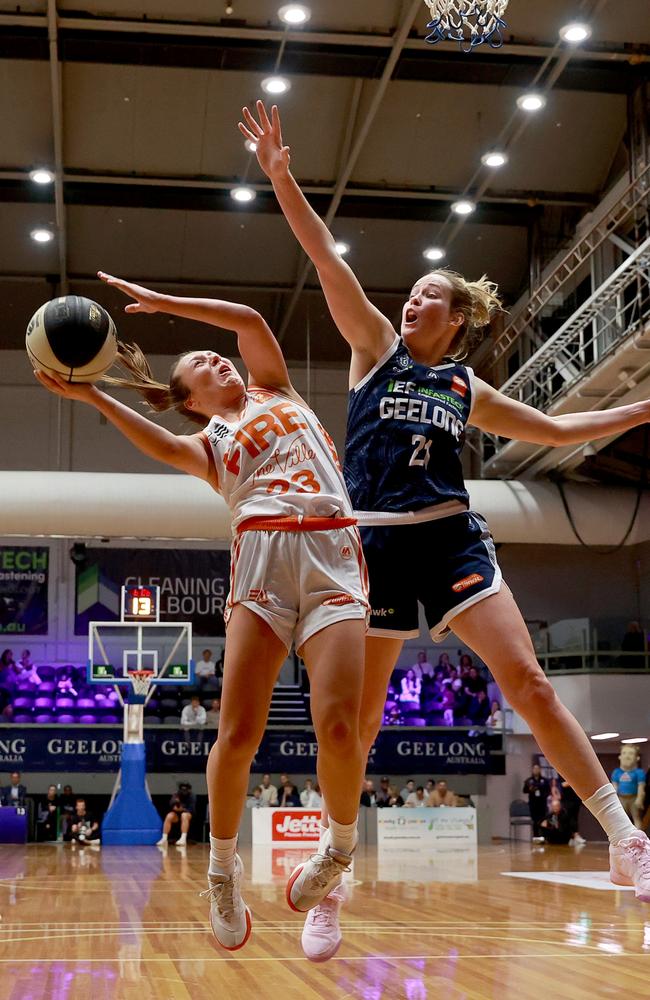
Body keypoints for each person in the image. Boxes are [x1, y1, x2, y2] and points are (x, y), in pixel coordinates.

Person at [240, 96, 650, 954]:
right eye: (414, 293)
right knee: (358, 722)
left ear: (457, 318)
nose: (413, 300)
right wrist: (283, 177)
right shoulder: (374, 349)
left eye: (431, 297)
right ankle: (334, 877)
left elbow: (568, 431)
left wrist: (641, 408)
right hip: (373, 545)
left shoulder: (467, 388)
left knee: (531, 685)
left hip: (451, 536)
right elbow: (323, 255)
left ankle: (624, 837)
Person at [36, 274, 369, 953]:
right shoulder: (208, 447)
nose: (219, 361)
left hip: (334, 551)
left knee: (338, 727)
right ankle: (220, 870)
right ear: (191, 401)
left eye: (216, 357)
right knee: (238, 733)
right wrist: (91, 392)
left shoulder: (278, 389)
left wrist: (163, 304)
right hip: (263, 564)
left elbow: (247, 316)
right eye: (203, 369)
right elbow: (155, 442)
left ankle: (337, 849)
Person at [157, 782, 196, 848]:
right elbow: (171, 805)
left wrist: (182, 809)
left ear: (189, 790)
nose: (183, 791)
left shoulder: (192, 796)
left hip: (187, 814)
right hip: (177, 814)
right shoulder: (176, 794)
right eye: (182, 789)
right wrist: (175, 806)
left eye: (185, 789)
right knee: (169, 816)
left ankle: (183, 839)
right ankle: (164, 838)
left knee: (184, 815)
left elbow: (191, 809)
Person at [523, 764, 551, 838]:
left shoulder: (544, 780)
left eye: (537, 768)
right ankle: (535, 836)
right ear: (532, 770)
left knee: (542, 820)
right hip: (533, 803)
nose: (536, 770)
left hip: (542, 803)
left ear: (540, 770)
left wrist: (543, 794)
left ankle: (542, 836)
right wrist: (530, 789)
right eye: (534, 769)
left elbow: (548, 791)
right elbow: (524, 790)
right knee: (535, 821)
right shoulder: (529, 780)